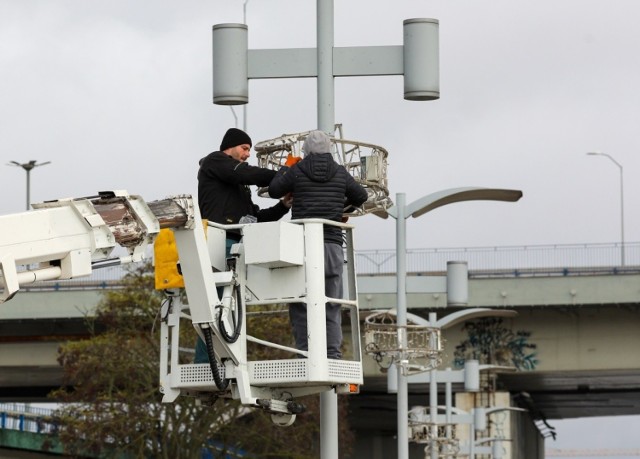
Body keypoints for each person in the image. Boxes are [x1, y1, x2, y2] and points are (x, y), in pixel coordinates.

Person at [195, 127, 293, 363]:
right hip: (219, 243)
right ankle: (206, 362)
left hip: (234, 245)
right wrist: (283, 175)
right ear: (229, 146)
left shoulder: (237, 184)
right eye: (245, 148)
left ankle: (222, 360)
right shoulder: (214, 161)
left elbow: (255, 217)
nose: (248, 153)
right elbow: (243, 173)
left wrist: (283, 206)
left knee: (228, 308)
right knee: (216, 306)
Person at [268, 130, 368, 359]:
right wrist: (343, 208)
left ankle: (305, 352)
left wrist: (287, 165)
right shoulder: (340, 172)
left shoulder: (298, 170)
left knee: (300, 300)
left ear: (305, 150)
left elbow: (274, 190)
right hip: (331, 243)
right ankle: (332, 353)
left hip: (303, 244)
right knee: (331, 301)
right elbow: (361, 196)